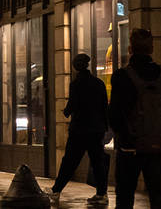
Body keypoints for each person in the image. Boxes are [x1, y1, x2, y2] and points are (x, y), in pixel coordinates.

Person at [109, 28, 161, 209]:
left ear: (130, 48)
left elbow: (114, 114)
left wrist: (124, 134)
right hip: (158, 146)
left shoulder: (121, 76)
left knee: (125, 197)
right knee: (158, 195)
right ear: (152, 48)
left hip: (129, 147)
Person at [50, 53, 108, 207]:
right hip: (96, 130)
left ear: (76, 67)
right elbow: (104, 107)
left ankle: (56, 191)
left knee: (69, 161)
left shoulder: (76, 84)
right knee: (98, 162)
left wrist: (66, 111)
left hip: (80, 130)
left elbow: (73, 105)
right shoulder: (99, 83)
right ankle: (102, 193)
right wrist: (104, 127)